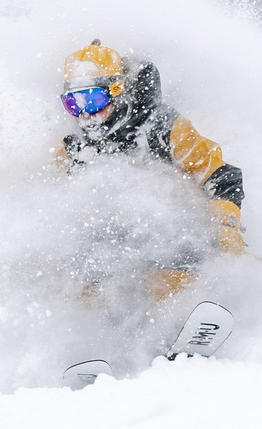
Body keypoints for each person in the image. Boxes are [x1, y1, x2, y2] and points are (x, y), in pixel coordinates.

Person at [56, 40, 245, 301]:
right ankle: (102, 332)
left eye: (93, 100)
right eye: (73, 104)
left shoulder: (162, 128)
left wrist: (226, 224)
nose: (87, 115)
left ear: (117, 91)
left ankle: (178, 322)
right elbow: (52, 203)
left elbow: (219, 176)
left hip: (172, 232)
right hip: (109, 241)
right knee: (82, 288)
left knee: (165, 281)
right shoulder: (75, 150)